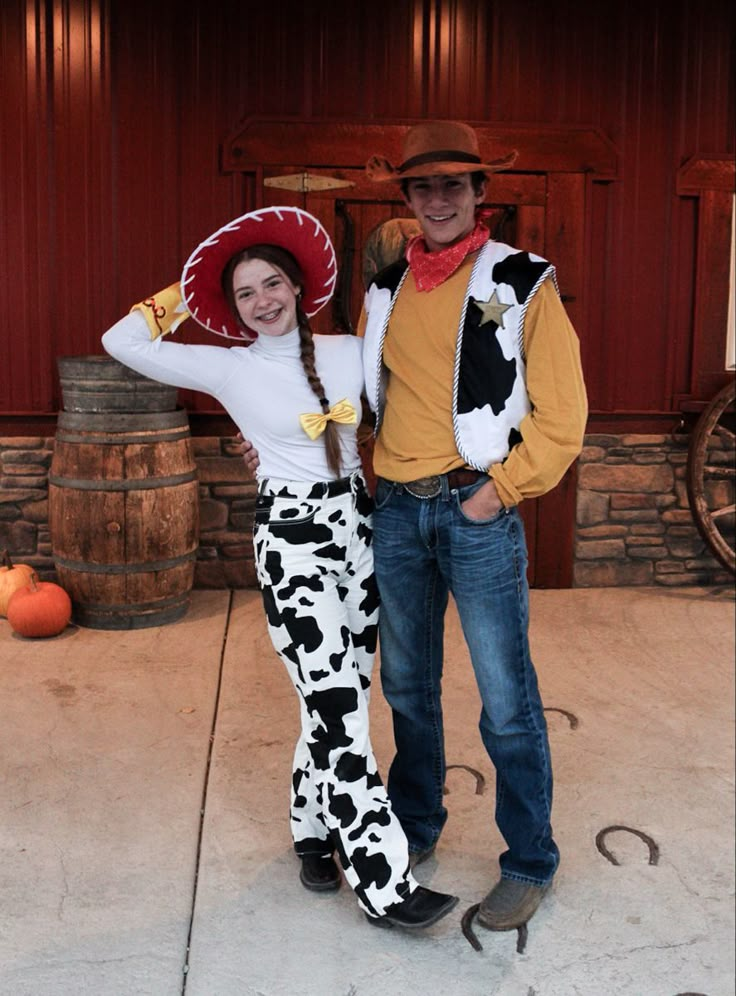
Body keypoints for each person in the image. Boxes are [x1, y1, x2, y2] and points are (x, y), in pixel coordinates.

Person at [243, 121, 588, 932]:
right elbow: (355, 397)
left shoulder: (523, 282)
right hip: (394, 513)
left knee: (505, 698)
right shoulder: (387, 291)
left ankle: (530, 858)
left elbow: (564, 414)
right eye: (422, 187)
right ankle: (417, 827)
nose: (437, 199)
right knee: (406, 687)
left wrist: (498, 493)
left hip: (475, 507)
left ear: (478, 196)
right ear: (406, 200)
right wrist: (275, 442)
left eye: (453, 185)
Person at [101, 205, 458, 931]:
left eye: (272, 284)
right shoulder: (226, 365)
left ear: (297, 286)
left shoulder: (350, 351)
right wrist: (193, 283)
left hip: (357, 533)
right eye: (244, 294)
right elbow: (122, 339)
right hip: (291, 545)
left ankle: (307, 829)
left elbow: (402, 404)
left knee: (334, 700)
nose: (263, 302)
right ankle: (385, 884)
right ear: (232, 310)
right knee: (342, 712)